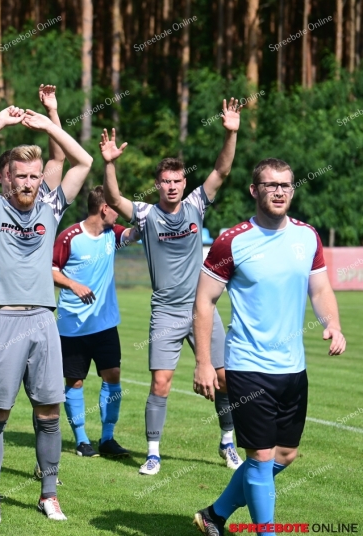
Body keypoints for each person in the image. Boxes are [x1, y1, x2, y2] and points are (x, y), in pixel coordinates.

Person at [192, 158, 345, 536]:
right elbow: (204, 301)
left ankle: (214, 515)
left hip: (293, 368)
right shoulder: (232, 241)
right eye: (270, 185)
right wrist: (204, 363)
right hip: (248, 366)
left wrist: (333, 324)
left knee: (284, 455)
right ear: (254, 190)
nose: (279, 191)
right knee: (260, 458)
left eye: (285, 185)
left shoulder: (307, 236)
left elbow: (320, 289)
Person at [0, 105, 93, 523]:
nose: (29, 183)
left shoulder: (51, 208)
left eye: (35, 176)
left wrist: (50, 124)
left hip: (44, 320)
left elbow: (84, 161)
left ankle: (48, 494)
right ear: (8, 178)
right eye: (21, 176)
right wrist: (0, 120)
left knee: (48, 413)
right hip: (3, 320)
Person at [102, 98, 244, 476]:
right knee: (161, 383)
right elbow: (113, 198)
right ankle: (153, 453)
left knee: (224, 378)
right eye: (165, 181)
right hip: (166, 311)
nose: (171, 187)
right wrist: (110, 163)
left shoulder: (196, 204)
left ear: (184, 183)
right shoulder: (147, 215)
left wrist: (231, 133)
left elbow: (222, 170)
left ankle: (228, 442)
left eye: (177, 181)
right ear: (158, 184)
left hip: (202, 308)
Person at [53, 185, 138, 458]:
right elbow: (50, 269)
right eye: (116, 206)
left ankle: (108, 439)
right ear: (104, 208)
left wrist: (148, 219)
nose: (119, 212)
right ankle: (81, 440)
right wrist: (73, 284)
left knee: (113, 375)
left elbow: (133, 234)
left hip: (105, 324)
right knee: (75, 381)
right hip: (73, 326)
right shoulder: (69, 237)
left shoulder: (112, 234)